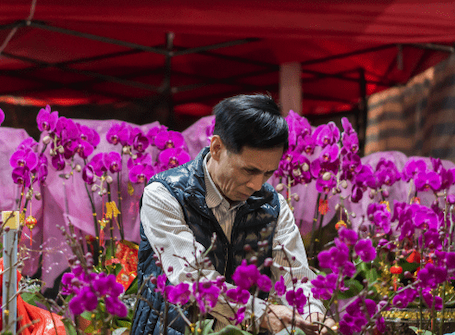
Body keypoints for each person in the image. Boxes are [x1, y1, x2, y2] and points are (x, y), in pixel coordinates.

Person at [132, 94, 334, 335]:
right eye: (249, 170)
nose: (257, 185)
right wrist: (262, 313)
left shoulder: (273, 205)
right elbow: (190, 277)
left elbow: (296, 276)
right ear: (217, 148)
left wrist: (313, 314)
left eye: (268, 173)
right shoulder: (164, 195)